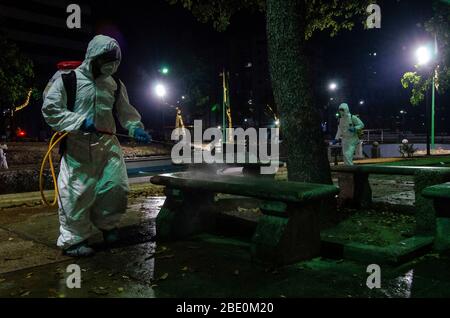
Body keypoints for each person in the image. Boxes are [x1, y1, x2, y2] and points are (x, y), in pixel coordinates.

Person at [42, 35, 151, 257]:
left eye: (115, 62)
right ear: (94, 57)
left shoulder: (115, 84)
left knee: (115, 187)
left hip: (108, 144)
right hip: (77, 146)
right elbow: (51, 109)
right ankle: (74, 240)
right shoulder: (67, 80)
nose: (111, 66)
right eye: (107, 60)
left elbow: (125, 112)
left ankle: (108, 225)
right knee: (76, 193)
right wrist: (78, 122)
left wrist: (135, 128)